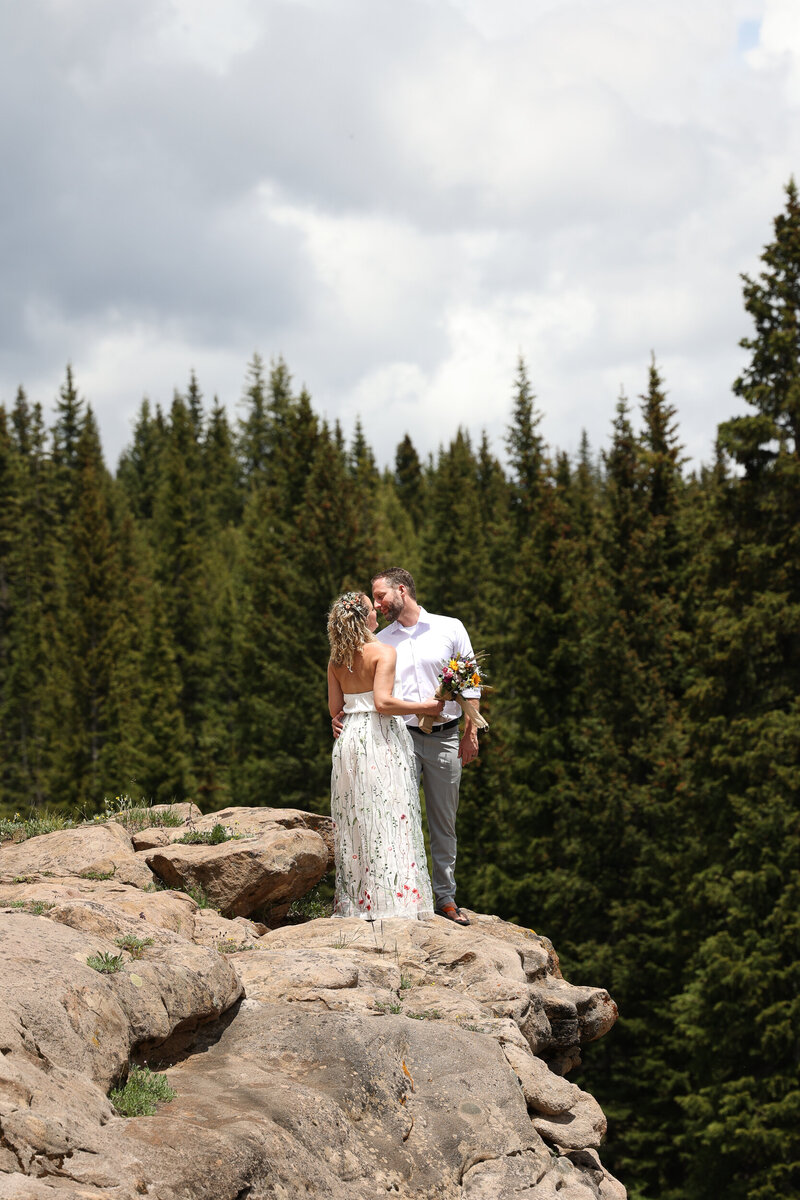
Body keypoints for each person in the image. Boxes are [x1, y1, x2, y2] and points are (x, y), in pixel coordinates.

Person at [371, 567, 480, 927]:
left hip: (447, 737)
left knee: (443, 822)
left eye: (380, 596)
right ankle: (405, 899)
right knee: (400, 820)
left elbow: (471, 683)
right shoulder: (382, 640)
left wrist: (471, 733)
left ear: (401, 590)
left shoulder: (450, 628)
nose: (377, 604)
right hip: (400, 738)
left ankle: (446, 900)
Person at [327, 590, 442, 920]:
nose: (378, 611)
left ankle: (363, 903)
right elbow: (383, 703)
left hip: (350, 741)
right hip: (379, 737)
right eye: (371, 608)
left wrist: (344, 718)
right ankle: (397, 903)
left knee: (359, 819)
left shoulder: (336, 660)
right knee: (391, 816)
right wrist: (427, 707)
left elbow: (336, 709)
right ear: (366, 619)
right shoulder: (383, 652)